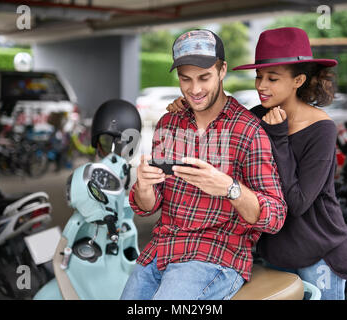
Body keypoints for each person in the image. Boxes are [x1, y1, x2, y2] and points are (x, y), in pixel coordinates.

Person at [167, 27, 347, 300]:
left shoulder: (321, 129)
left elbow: (298, 202)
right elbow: (219, 122)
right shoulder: (255, 117)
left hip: (318, 255)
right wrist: (191, 106)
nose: (261, 86)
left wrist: (278, 138)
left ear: (298, 80)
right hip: (272, 253)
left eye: (272, 78)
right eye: (259, 76)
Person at [120, 29, 287, 300]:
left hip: (215, 254)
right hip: (161, 250)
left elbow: (276, 216)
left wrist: (230, 188)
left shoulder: (248, 130)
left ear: (222, 70)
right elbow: (148, 206)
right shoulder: (168, 124)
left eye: (204, 77)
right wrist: (145, 186)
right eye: (185, 79)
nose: (194, 90)